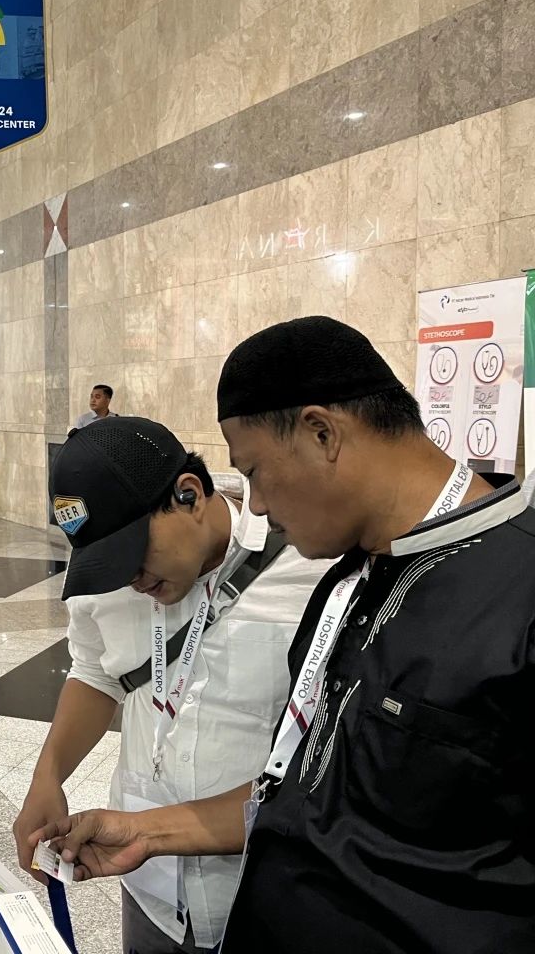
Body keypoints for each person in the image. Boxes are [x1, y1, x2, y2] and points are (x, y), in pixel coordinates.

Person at [31, 317, 535, 953]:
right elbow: (305, 793)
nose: (260, 505)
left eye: (255, 471)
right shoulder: (352, 580)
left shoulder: (511, 588)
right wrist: (147, 832)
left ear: (323, 433)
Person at [13, 416, 330, 953]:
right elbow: (96, 673)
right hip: (148, 885)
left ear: (189, 494)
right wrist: (48, 775)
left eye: (133, 553)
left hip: (268, 894)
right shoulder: (106, 584)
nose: (129, 579)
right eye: (108, 563)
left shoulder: (310, 568)